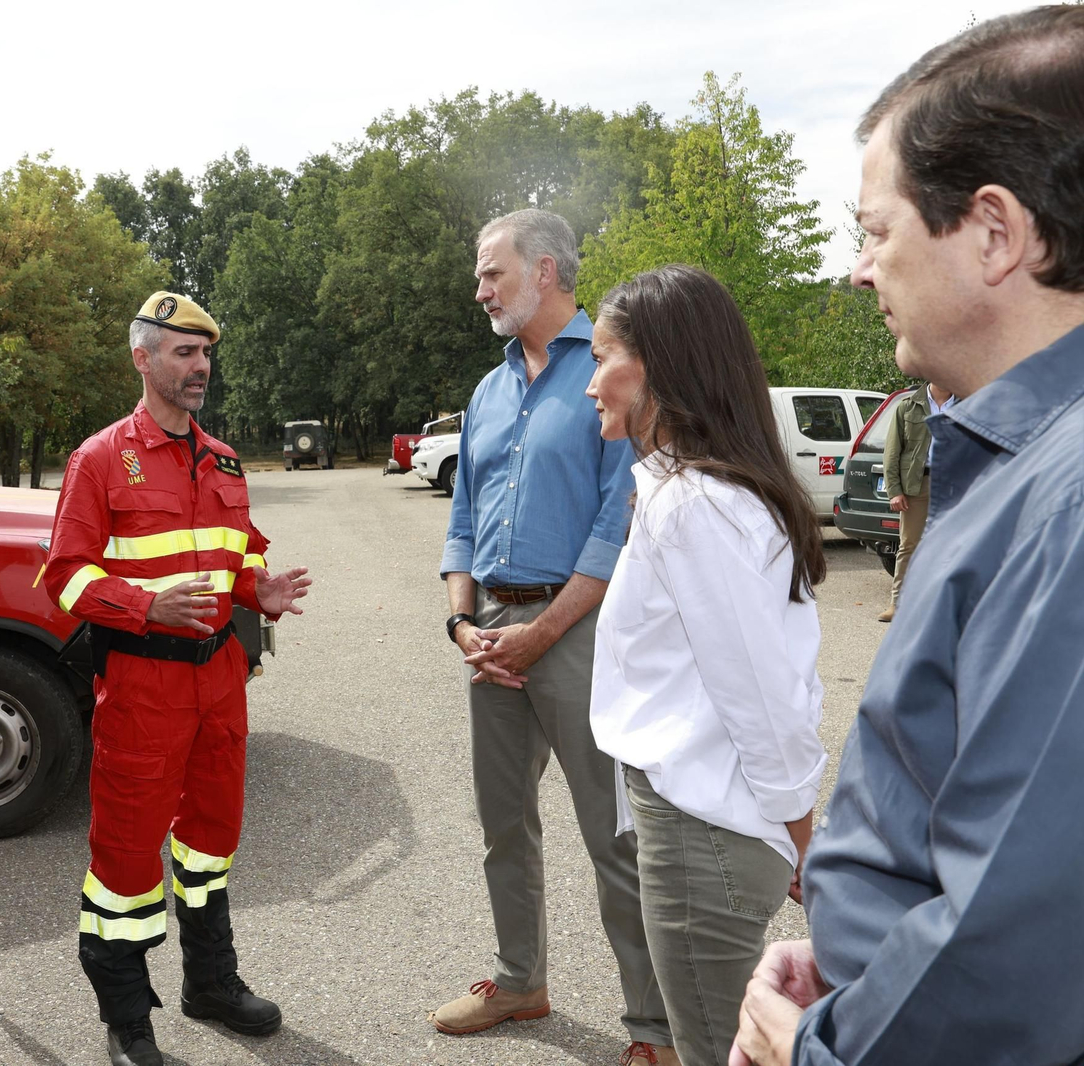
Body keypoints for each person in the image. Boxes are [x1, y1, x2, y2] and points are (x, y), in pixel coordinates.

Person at [733, 7, 1084, 1064]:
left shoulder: (1067, 501)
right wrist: (859, 966)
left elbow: (1011, 955)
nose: (858, 268)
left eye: (876, 231)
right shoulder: (1027, 466)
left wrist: (822, 1047)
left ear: (994, 233)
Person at [43, 291, 311, 1066]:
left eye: (205, 355)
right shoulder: (100, 459)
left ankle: (210, 984)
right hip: (143, 688)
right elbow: (64, 576)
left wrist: (257, 588)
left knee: (210, 843)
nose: (200, 367)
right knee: (126, 864)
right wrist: (143, 606)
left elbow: (242, 550)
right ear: (143, 357)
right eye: (184, 352)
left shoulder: (222, 459)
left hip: (219, 681)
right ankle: (128, 1019)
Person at [434, 209, 675, 1066]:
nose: (479, 290)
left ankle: (655, 1027)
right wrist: (463, 622)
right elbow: (462, 519)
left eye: (490, 271)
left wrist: (542, 632)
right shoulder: (487, 390)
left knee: (615, 835)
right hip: (490, 637)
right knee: (503, 822)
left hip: (577, 631)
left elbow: (618, 523)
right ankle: (518, 980)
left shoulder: (611, 372)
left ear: (544, 270)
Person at [585, 265, 827, 1066]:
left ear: (658, 366)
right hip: (709, 822)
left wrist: (804, 841)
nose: (590, 383)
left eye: (602, 358)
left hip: (709, 832)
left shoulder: (694, 505)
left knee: (718, 1051)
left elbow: (761, 697)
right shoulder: (690, 493)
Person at [876, 381, 954, 622]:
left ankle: (943, 605)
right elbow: (892, 452)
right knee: (909, 544)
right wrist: (894, 491)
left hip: (953, 485)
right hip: (916, 485)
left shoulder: (966, 404)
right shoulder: (907, 406)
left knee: (950, 544)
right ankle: (897, 604)